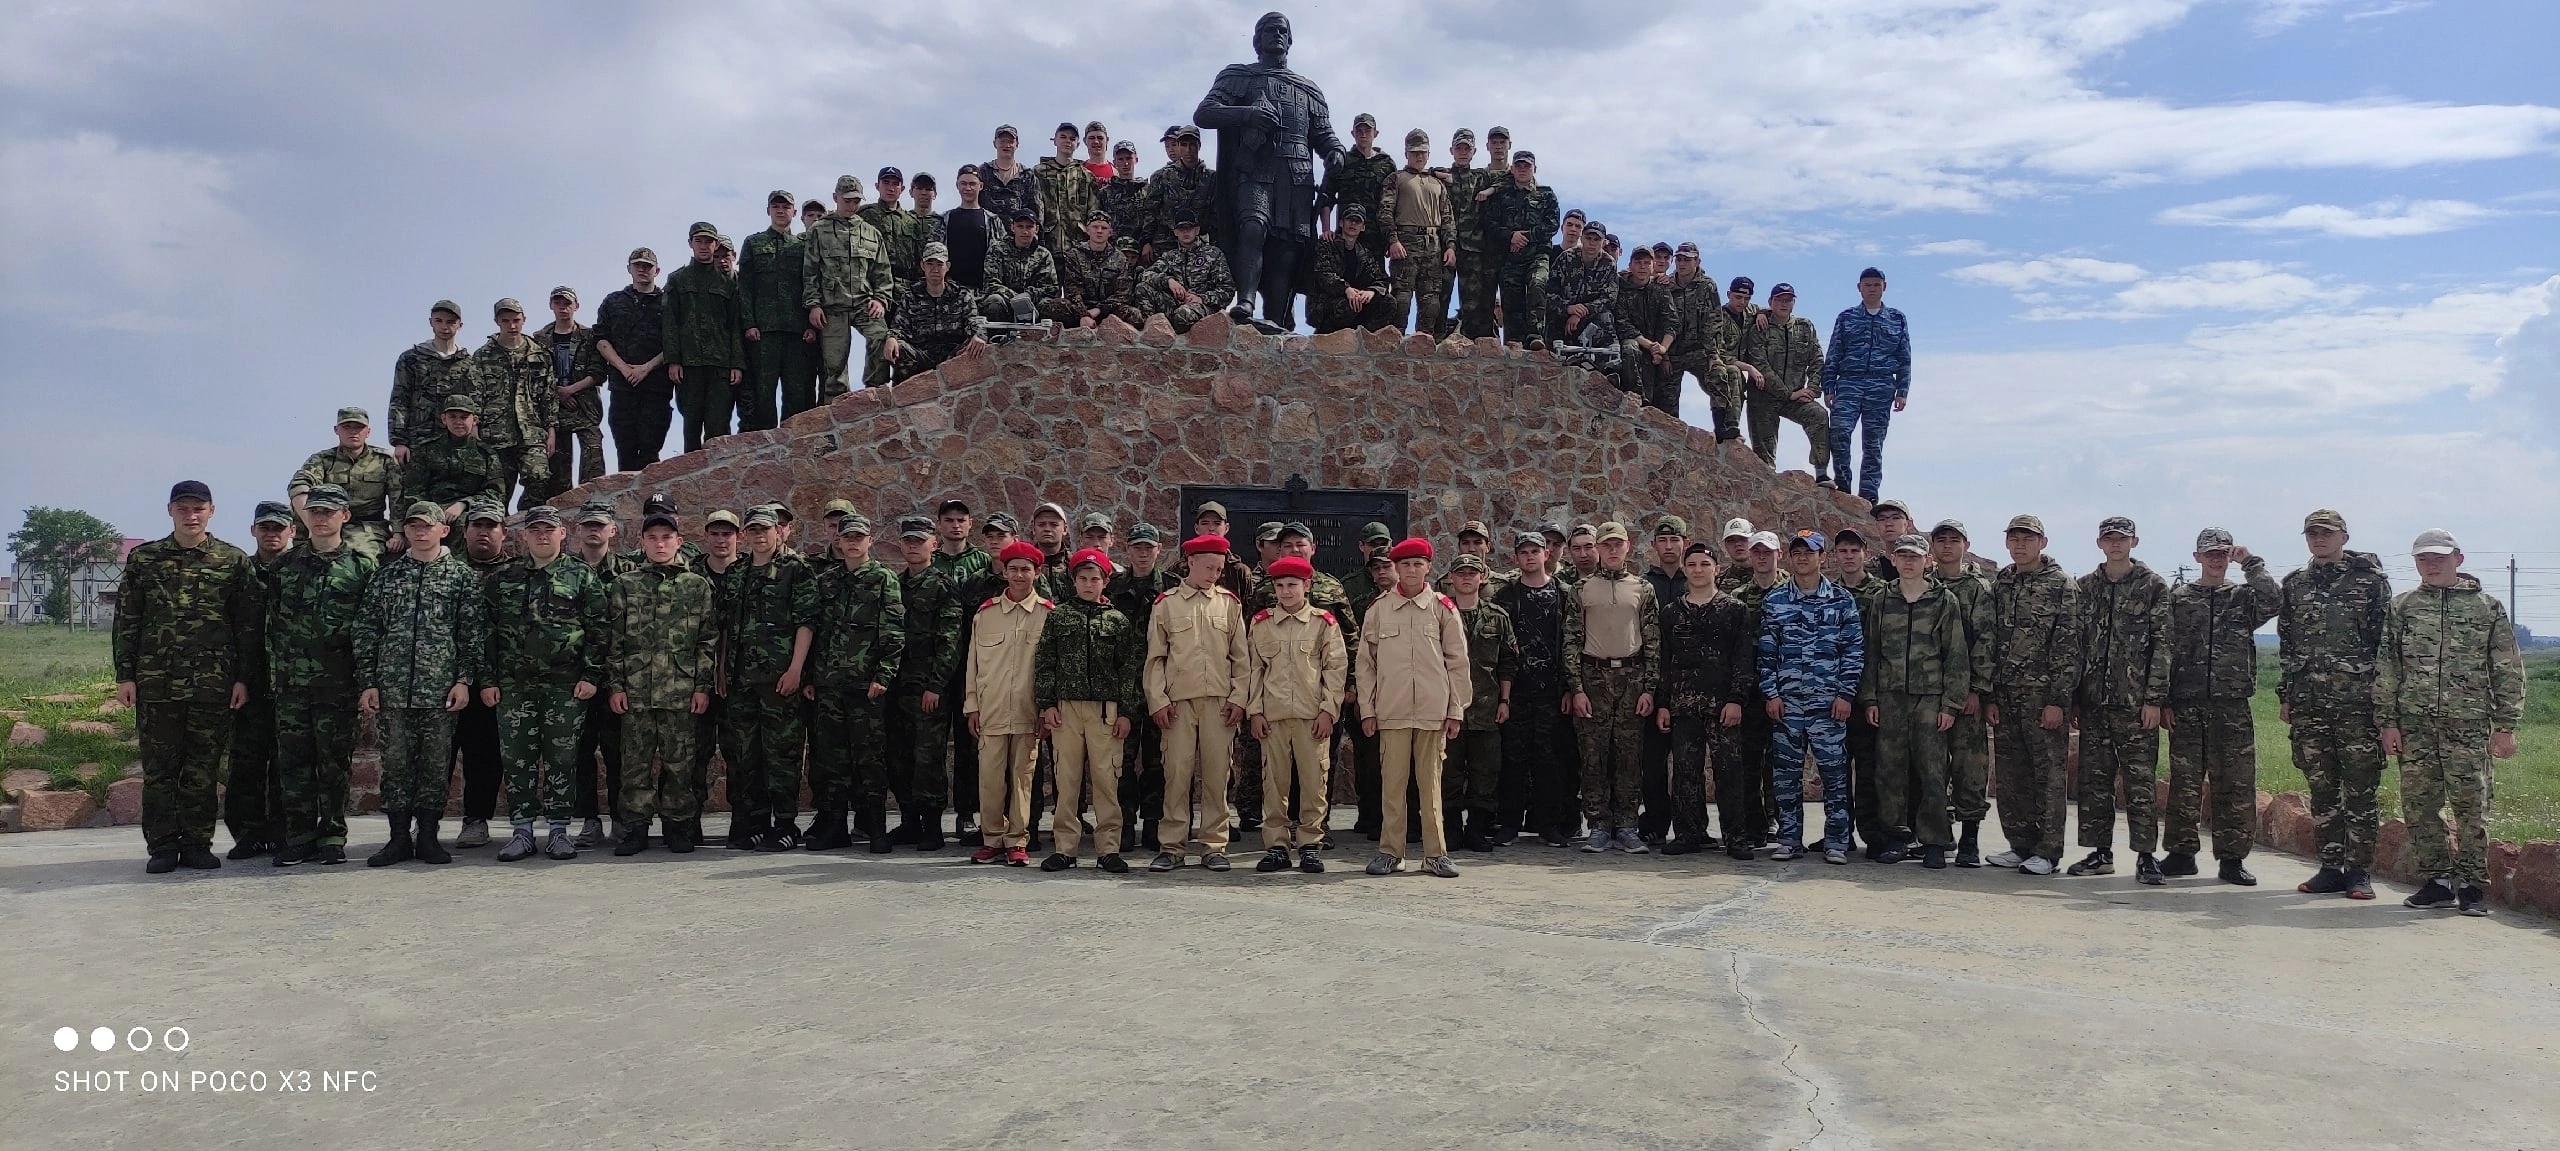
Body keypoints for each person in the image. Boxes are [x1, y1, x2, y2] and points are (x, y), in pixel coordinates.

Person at [115, 480, 259, 873]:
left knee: (202, 770)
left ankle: (197, 843)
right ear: (170, 511)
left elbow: (246, 625)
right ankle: (162, 846)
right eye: (183, 509)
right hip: (156, 683)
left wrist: (243, 678)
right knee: (160, 771)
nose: (191, 515)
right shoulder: (144, 559)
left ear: (211, 511)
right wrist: (124, 675)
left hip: (213, 683)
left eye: (198, 508)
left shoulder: (233, 560)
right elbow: (128, 619)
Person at [2380, 529, 2525, 917]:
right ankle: (2438, 882)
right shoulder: (2402, 607)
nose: (2431, 564)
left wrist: (2506, 725)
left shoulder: (2486, 607)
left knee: (2472, 807)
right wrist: (2387, 722)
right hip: (2415, 725)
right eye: (2423, 558)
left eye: (2439, 558)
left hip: (2469, 723)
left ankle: (2473, 886)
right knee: (2420, 806)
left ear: (2458, 559)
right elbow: (2388, 667)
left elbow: (2507, 667)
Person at [1194, 12, 1345, 328]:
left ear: (1290, 40)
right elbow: (1206, 113)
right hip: (1255, 168)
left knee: (1288, 246)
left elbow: (1323, 132)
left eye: (1282, 30)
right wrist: (1247, 114)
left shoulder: (1308, 90)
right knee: (1253, 226)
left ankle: (1276, 316)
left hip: (1297, 173)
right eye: (1269, 30)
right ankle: (1246, 300)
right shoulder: (1239, 76)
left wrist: (1335, 151)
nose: (1276, 34)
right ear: (1256, 40)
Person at [355, 501, 482, 868]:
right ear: (406, 531)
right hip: (393, 690)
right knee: (395, 766)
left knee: (435, 766)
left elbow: (471, 633)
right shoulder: (387, 576)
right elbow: (367, 630)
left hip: (439, 691)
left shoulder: (459, 576)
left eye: (428, 525)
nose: (420, 530)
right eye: (413, 525)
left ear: (444, 529)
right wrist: (369, 682)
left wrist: (464, 680)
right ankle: (397, 838)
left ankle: (427, 836)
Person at [478, 504, 605, 862]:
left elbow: (599, 630)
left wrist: (591, 675)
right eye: (535, 530)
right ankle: (521, 831)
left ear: (562, 533)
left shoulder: (581, 576)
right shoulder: (504, 578)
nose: (542, 535)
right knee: (517, 760)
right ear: (524, 534)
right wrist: (487, 679)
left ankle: (559, 831)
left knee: (563, 759)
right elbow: (485, 632)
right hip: (514, 686)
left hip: (565, 686)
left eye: (549, 529)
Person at [2278, 509, 2395, 899]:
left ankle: (2359, 871)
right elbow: (2288, 645)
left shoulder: (2370, 581)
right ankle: (2330, 867)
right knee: (2322, 788)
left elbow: (2386, 647)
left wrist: (2384, 706)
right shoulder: (2295, 584)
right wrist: (2287, 695)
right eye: (2312, 533)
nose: (2319, 539)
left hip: (2357, 706)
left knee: (2360, 790)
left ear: (2343, 536)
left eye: (2327, 533)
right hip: (2310, 705)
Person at [260, 485, 375, 866]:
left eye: (329, 511)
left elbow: (371, 628)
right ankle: (299, 836)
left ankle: (332, 836)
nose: (321, 518)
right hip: (292, 685)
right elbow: (269, 627)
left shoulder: (362, 567)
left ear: (346, 516)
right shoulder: (284, 567)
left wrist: (366, 681)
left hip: (339, 684)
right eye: (315, 512)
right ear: (304, 518)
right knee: (293, 764)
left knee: (334, 764)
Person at [2161, 528, 2281, 884]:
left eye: (2222, 553)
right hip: (2187, 703)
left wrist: (2251, 562)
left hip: (2231, 705)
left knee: (2235, 785)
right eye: (2209, 553)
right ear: (2197, 557)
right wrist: (2164, 699)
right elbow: (2165, 650)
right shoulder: (2179, 599)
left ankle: (2232, 859)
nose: (2216, 559)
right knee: (2184, 782)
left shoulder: (2243, 598)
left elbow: (2274, 601)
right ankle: (2181, 854)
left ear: (2229, 557)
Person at [1355, 538, 1473, 878]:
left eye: (1417, 564)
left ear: (1428, 568)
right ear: (1395, 568)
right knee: (1392, 784)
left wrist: (1456, 709)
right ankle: (1391, 852)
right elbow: (1365, 664)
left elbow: (1457, 661)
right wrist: (1368, 709)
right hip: (1391, 710)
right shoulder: (1379, 609)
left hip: (1432, 710)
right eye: (1404, 564)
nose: (1410, 570)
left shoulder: (1442, 608)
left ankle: (1436, 854)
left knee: (1430, 784)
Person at [606, 511, 716, 856]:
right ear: (641, 543)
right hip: (636, 691)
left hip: (680, 691)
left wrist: (702, 686)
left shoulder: (696, 585)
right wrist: (616, 686)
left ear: (679, 542)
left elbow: (707, 640)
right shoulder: (627, 584)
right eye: (652, 537)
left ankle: (678, 828)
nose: (659, 543)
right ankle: (636, 829)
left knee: (679, 765)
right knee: (634, 766)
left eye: (666, 537)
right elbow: (615, 640)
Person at [2068, 516, 2172, 884]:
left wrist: (2154, 699)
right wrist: (2075, 699)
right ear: (2099, 543)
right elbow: (2076, 646)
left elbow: (2163, 646)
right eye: (2108, 538)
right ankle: (2100, 853)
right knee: (2094, 781)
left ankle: (2146, 856)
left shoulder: (2152, 586)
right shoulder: (2085, 586)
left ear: (2134, 542)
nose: (2115, 544)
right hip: (2094, 702)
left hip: (2134, 704)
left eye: (2121, 539)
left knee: (2139, 782)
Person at [1857, 534, 1969, 869]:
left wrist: (1951, 704)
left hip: (1929, 699)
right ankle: (1896, 837)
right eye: (1902, 556)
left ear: (1927, 561)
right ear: (1894, 561)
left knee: (1933, 772)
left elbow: (1956, 654)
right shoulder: (1882, 599)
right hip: (1890, 698)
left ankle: (1935, 840)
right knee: (1889, 771)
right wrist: (1870, 697)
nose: (1908, 562)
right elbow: (1871, 651)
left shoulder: (1943, 599)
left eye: (1915, 557)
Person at [1144, 534, 1252, 872]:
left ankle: (1213, 845)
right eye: (1208, 567)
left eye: (1219, 569)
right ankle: (1172, 846)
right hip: (1178, 704)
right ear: (1190, 562)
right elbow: (1155, 659)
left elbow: (1242, 660)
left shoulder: (1229, 604)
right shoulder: (1166, 604)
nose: (1214, 574)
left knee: (1218, 776)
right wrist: (1158, 701)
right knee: (1176, 774)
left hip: (1219, 704)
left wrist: (1238, 698)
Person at [1033, 548, 1142, 872]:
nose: (1089, 583)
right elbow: (1045, 662)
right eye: (1082, 578)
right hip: (1067, 709)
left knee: (1106, 781)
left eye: (1095, 578)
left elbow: (1128, 669)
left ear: (1105, 582)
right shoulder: (1059, 616)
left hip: (1105, 712)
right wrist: (1046, 705)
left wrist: (1126, 712)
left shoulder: (1118, 621)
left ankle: (1108, 848)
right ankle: (1065, 848)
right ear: (1074, 581)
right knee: (1067, 781)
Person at [1759, 530, 1864, 864]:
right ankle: (1789, 840)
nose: (1803, 557)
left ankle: (1836, 840)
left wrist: (1846, 694)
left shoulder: (1841, 600)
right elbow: (1766, 652)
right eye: (1797, 552)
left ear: (1823, 557)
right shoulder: (1775, 601)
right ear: (1790, 558)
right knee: (1785, 777)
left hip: (1828, 705)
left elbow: (1854, 651)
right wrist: (1771, 694)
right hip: (1787, 705)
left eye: (1810, 552)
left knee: (1834, 775)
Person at [1983, 515, 2078, 875]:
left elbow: (2068, 646)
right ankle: (2019, 844)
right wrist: (1990, 694)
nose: (2020, 545)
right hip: (2005, 695)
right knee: (2011, 776)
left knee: (2048, 777)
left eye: (2027, 538)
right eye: (2014, 539)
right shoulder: (2003, 582)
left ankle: (2048, 851)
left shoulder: (2061, 585)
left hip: (2042, 698)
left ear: (2043, 542)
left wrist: (2058, 700)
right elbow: (1991, 640)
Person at [1243, 554, 1348, 873]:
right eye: (1280, 585)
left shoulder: (1323, 623)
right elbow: (1253, 669)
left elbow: (1335, 668)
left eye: (1292, 585)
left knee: (1314, 782)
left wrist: (1329, 710)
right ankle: (1276, 845)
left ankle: (1309, 843)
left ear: (1307, 585)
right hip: (1273, 717)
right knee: (1274, 783)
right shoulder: (1261, 624)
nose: (1286, 591)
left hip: (1311, 716)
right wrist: (1255, 711)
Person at [807, 513, 905, 851]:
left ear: (869, 541)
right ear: (839, 541)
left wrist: (883, 676)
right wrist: (811, 677)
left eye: (858, 537)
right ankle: (835, 827)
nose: (852, 542)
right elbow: (818, 632)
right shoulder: (828, 580)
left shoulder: (883, 579)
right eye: (847, 537)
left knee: (870, 759)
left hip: (867, 687)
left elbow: (893, 632)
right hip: (830, 685)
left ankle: (876, 828)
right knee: (831, 760)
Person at [726, 506, 816, 852]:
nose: (759, 536)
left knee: (783, 754)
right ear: (745, 534)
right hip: (742, 680)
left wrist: (795, 670)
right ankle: (758, 822)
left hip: (780, 680)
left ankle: (786, 824)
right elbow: (727, 626)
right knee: (748, 755)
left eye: (766, 529)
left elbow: (806, 622)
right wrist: (723, 671)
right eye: (753, 530)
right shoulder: (737, 573)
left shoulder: (797, 570)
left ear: (779, 532)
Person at [1655, 543, 1754, 857]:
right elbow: (1664, 661)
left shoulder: (1734, 610)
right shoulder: (1671, 613)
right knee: (1685, 773)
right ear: (1685, 569)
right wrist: (1663, 703)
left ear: (1716, 569)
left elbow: (1743, 659)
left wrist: (1737, 699)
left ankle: (1736, 836)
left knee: (1729, 772)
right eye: (1692, 564)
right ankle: (1688, 833)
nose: (1698, 570)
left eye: (1704, 564)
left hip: (1723, 706)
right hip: (1683, 706)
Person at [966, 540, 1052, 866]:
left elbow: (1049, 667)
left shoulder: (1047, 614)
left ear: (1037, 573)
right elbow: (973, 664)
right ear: (1004, 572)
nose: (1019, 575)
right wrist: (971, 706)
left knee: (1022, 778)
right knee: (989, 777)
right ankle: (992, 838)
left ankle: (1017, 839)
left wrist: (1046, 708)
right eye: (1013, 569)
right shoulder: (985, 615)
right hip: (991, 709)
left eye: (1025, 569)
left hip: (1028, 711)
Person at [1492, 532, 1582, 846]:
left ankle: (1549, 825)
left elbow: (1572, 644)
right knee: (1513, 760)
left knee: (1551, 760)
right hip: (1516, 691)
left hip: (1552, 693)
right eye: (1524, 552)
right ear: (1516, 558)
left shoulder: (1565, 593)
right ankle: (1509, 823)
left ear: (1547, 555)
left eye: (1535, 551)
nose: (1530, 557)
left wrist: (1571, 688)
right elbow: (1500, 647)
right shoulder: (1505, 597)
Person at [1573, 522, 1657, 853]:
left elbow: (1652, 641)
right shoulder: (1580, 589)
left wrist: (1649, 687)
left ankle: (1626, 824)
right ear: (1597, 549)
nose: (1611, 550)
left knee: (1629, 755)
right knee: (1592, 755)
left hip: (1632, 678)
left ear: (1627, 547)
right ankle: (1597, 825)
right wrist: (1576, 687)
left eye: (1617, 544)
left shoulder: (1642, 588)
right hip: (1593, 677)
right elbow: (1570, 639)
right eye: (1605, 545)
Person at [882, 515, 963, 850]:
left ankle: (932, 826)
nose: (914, 546)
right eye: (908, 541)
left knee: (928, 758)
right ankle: (909, 821)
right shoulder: (892, 585)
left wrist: (936, 685)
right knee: (898, 756)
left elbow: (951, 641)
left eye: (920, 540)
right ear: (901, 545)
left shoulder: (944, 586)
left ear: (934, 544)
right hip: (894, 687)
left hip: (928, 689)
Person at [221, 500, 295, 861]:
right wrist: (237, 677)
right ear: (253, 531)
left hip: (293, 681)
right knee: (246, 762)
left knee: (288, 762)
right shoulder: (239, 572)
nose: (272, 534)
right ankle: (248, 834)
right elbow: (226, 628)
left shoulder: (301, 568)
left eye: (279, 528)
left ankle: (284, 833)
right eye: (265, 528)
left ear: (292, 531)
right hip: (248, 681)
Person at [1926, 520, 1995, 865]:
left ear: (1966, 545)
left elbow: (1985, 640)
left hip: (1965, 694)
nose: (1948, 546)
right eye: (1941, 541)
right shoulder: (1922, 584)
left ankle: (1970, 840)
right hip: (1928, 693)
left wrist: (1976, 690)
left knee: (1970, 768)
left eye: (1954, 540)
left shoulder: (1978, 588)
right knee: (1932, 768)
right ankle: (1938, 837)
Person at [568, 502, 634, 848]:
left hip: (616, 678)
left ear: (613, 531)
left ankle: (621, 819)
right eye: (588, 525)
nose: (594, 531)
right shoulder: (563, 571)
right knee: (580, 753)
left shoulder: (629, 571)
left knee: (618, 752)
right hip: (574, 678)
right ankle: (589, 820)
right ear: (577, 530)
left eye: (601, 526)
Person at [1440, 555, 1516, 852]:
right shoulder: (1440, 612)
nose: (1467, 578)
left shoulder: (1497, 616)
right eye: (1461, 574)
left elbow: (1507, 663)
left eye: (1473, 573)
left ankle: (1477, 831)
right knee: (1449, 775)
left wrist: (1505, 700)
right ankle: (1451, 831)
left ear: (1483, 576)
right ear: (1451, 578)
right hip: (1449, 708)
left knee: (1486, 775)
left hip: (1486, 707)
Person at [449, 501, 511, 849]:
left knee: (483, 753)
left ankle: (476, 819)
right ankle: (423, 821)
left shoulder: (516, 573)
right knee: (438, 754)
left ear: (504, 532)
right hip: (448, 676)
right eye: (477, 526)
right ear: (466, 530)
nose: (483, 532)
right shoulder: (448, 570)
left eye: (491, 526)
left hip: (492, 680)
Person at [1821, 267, 1912, 502]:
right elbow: (1834, 353)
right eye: (1867, 285)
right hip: (1849, 383)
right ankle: (1843, 487)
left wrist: (1902, 391)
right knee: (1839, 433)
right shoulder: (1846, 317)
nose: (1872, 289)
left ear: (1884, 287)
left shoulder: (1897, 318)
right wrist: (1828, 387)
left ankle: (1868, 498)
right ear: (1859, 288)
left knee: (1873, 445)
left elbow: (1904, 357)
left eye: (1876, 284)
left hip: (1881, 386)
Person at [803, 175, 896, 403]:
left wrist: (881, 299)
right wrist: (813, 305)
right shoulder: (819, 230)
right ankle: (837, 416)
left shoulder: (871, 233)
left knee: (882, 338)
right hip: (833, 307)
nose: (852, 205)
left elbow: (882, 273)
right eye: (847, 200)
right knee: (834, 368)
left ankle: (874, 397)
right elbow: (810, 272)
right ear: (836, 198)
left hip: (864, 303)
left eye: (856, 201)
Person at [662, 223, 745, 452]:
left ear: (716, 244)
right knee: (691, 425)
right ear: (690, 243)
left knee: (718, 427)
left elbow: (735, 326)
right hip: (689, 365)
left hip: (720, 364)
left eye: (709, 241)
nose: (704, 246)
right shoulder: (677, 279)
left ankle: (718, 480)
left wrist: (736, 364)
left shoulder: (727, 283)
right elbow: (670, 323)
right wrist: (674, 360)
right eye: (698, 241)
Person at [467, 298, 556, 510]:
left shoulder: (539, 354)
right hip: (496, 433)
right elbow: (475, 393)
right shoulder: (483, 355)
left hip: (532, 431)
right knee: (497, 490)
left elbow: (549, 395)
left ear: (524, 320)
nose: (512, 325)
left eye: (516, 320)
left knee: (539, 478)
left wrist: (551, 430)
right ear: (497, 321)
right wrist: (474, 428)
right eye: (506, 321)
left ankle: (525, 525)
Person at [739, 190, 817, 427]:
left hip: (797, 332)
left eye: (786, 207)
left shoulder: (804, 245)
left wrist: (811, 326)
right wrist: (749, 323)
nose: (781, 211)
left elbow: (812, 284)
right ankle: (766, 448)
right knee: (763, 391)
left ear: (794, 212)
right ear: (768, 211)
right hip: (764, 331)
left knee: (796, 392)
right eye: (776, 207)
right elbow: (745, 287)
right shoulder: (753, 243)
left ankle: (792, 447)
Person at [1743, 284, 1834, 479]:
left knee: (1818, 416)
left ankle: (1821, 473)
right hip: (1764, 396)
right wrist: (1787, 393)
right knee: (1764, 456)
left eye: (1788, 300)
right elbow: (1760, 365)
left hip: (1796, 396)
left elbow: (1817, 360)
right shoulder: (1759, 327)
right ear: (1770, 302)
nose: (1784, 304)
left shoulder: (1804, 327)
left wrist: (1812, 389)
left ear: (1794, 303)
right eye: (1779, 300)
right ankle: (1767, 479)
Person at [595, 249, 674, 470]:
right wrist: (623, 368)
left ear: (656, 271)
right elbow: (601, 339)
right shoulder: (613, 302)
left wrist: (646, 368)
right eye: (638, 265)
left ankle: (649, 503)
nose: (642, 269)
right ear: (629, 269)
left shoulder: (669, 302)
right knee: (625, 450)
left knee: (650, 451)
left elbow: (675, 342)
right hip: (622, 386)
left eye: (647, 266)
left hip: (656, 386)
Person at [288, 406, 401, 559]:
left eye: (359, 427)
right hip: (327, 522)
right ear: (336, 430)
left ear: (368, 432)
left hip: (366, 527)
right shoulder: (322, 460)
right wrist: (311, 524)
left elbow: (397, 498)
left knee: (356, 558)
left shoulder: (384, 461)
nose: (353, 432)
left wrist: (398, 533)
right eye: (347, 427)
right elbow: (299, 486)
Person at [1376, 128, 1455, 336]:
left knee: (1431, 302)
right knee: (1401, 299)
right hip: (1405, 242)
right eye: (1414, 152)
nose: (1419, 156)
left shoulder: (1437, 183)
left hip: (1433, 245)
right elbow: (1385, 212)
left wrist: (1450, 247)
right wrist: (1393, 240)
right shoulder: (1396, 178)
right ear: (1406, 154)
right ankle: (1395, 343)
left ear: (1428, 154)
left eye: (1423, 152)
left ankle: (1424, 345)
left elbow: (1447, 218)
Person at [531, 288, 606, 499]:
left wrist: (570, 390)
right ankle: (561, 509)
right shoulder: (539, 339)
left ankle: (594, 503)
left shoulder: (589, 336)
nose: (563, 308)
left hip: (585, 405)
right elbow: (536, 375)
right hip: (553, 409)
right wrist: (558, 392)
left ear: (576, 306)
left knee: (593, 454)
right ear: (551, 305)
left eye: (567, 303)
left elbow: (598, 372)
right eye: (558, 303)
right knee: (558, 467)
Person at [388, 300, 477, 468]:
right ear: (431, 322)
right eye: (439, 321)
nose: (444, 327)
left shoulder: (468, 363)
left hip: (454, 442)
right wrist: (399, 442)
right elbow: (399, 400)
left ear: (460, 325)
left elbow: (473, 403)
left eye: (450, 322)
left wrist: (473, 439)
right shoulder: (411, 358)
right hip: (418, 440)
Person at [1484, 152, 1558, 349]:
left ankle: (1535, 334)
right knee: (1510, 297)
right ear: (1513, 169)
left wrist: (1525, 237)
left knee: (1537, 284)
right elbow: (1490, 224)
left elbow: (1552, 225)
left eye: (1527, 166)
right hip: (1511, 257)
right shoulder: (1501, 196)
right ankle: (1514, 342)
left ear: (1535, 168)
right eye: (1519, 166)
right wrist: (1510, 236)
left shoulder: (1546, 194)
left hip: (1537, 255)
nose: (1523, 170)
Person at [888, 243, 985, 376]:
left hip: (955, 357)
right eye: (930, 264)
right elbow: (898, 328)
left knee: (976, 344)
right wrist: (892, 338)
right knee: (896, 346)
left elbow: (975, 322)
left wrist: (978, 335)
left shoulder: (961, 295)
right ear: (923, 266)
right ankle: (907, 390)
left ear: (947, 267)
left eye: (939, 264)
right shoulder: (910, 297)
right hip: (921, 357)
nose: (935, 269)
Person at [400, 396, 503, 520]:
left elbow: (495, 493)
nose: (458, 422)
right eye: (452, 417)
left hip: (473, 511)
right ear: (444, 419)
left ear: (474, 420)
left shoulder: (486, 453)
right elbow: (413, 491)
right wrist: (432, 512)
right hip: (431, 513)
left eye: (464, 417)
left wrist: (464, 504)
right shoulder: (425, 450)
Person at [1134, 210, 1236, 333]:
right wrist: (1168, 281)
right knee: (1142, 288)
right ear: (1175, 232)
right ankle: (1152, 332)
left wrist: (1202, 298)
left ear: (1197, 230)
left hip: (1203, 306)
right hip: (1176, 305)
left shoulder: (1214, 254)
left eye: (1189, 228)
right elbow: (1145, 275)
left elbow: (1227, 289)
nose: (1186, 232)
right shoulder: (1170, 256)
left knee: (1183, 314)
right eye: (1181, 229)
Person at [1442, 128, 1499, 340]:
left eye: (1467, 148)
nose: (1463, 152)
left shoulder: (1481, 177)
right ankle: (1437, 338)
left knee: (1472, 301)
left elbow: (1505, 180)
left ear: (1474, 151)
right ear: (1452, 150)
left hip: (1473, 248)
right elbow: (1421, 172)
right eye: (1459, 148)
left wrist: (1489, 191)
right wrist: (1438, 175)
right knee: (1442, 295)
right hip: (1447, 247)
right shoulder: (1443, 175)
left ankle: (1468, 341)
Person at [1308, 203, 1394, 333]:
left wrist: (1372, 291)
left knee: (1388, 302)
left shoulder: (1364, 253)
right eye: (1350, 219)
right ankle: (1329, 336)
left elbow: (1382, 279)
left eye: (1357, 221)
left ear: (1363, 227)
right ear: (1341, 223)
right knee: (1348, 305)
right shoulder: (1327, 246)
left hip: (1355, 304)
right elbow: (1323, 274)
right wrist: (1346, 289)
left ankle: (1364, 340)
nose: (1353, 223)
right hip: (1327, 305)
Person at [1140, 125, 1216, 264]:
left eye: (1192, 145)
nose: (1188, 150)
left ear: (1199, 146)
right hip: (1165, 244)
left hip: (1199, 246)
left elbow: (1216, 215)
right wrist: (1146, 241)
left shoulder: (1212, 178)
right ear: (1179, 146)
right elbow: (1150, 211)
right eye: (1183, 145)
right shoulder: (1161, 176)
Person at [1055, 211, 1143, 328]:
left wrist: (1099, 309)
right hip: (1079, 308)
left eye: (1104, 228)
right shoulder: (1074, 255)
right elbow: (1072, 290)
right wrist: (1083, 314)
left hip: (1107, 309)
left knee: (1135, 315)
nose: (1099, 231)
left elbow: (1123, 294)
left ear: (1110, 232)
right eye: (1095, 227)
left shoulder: (1120, 258)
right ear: (1087, 230)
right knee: (1051, 306)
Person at [1616, 247, 1675, 410]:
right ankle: (1635, 397)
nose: (1642, 267)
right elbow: (1623, 324)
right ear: (1630, 265)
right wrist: (1650, 346)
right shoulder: (1621, 288)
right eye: (1638, 262)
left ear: (1653, 266)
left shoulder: (1661, 290)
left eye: (1647, 263)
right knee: (1629, 348)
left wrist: (1662, 348)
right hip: (1636, 346)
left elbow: (1671, 323)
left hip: (1657, 351)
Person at [980, 210, 1063, 325]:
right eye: (1020, 226)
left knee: (1052, 305)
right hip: (1005, 302)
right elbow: (990, 283)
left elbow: (1051, 288)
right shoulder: (997, 249)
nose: (1025, 231)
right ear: (1013, 228)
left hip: (1034, 306)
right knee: (993, 301)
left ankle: (1044, 339)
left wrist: (1029, 295)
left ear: (1036, 229)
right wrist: (1016, 298)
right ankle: (997, 339)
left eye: (1029, 227)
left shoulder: (1043, 254)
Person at [1036, 122, 1101, 254]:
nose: (1067, 141)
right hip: (1047, 245)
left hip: (1079, 247)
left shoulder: (1086, 176)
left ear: (1077, 144)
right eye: (1063, 137)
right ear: (1054, 140)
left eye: (1072, 139)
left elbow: (1094, 212)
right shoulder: (1039, 172)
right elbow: (1034, 207)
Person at [976, 125, 1042, 233]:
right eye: (1002, 141)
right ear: (994, 143)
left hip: (1018, 239)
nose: (1006, 145)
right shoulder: (983, 172)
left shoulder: (1027, 175)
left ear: (1017, 144)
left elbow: (1036, 210)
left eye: (1010, 141)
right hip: (988, 234)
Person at [943, 167, 999, 292]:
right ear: (957, 185)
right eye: (963, 183)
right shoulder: (945, 219)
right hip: (951, 290)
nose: (968, 188)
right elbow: (935, 254)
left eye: (972, 184)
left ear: (981, 186)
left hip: (985, 290)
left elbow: (1002, 255)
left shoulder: (992, 220)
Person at [1098, 140, 1148, 255]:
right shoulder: (1105, 193)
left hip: (1140, 251)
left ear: (1136, 159)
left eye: (1128, 158)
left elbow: (1152, 220)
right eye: (1121, 159)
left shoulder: (1146, 190)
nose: (1125, 163)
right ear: (1114, 162)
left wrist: (1147, 242)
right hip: (1112, 252)